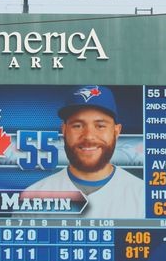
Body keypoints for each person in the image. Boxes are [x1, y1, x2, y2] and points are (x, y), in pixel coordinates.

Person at [22, 85, 145, 218]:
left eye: (100, 126)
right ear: (64, 130)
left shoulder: (143, 195)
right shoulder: (33, 197)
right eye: (77, 126)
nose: (88, 136)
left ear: (116, 131)